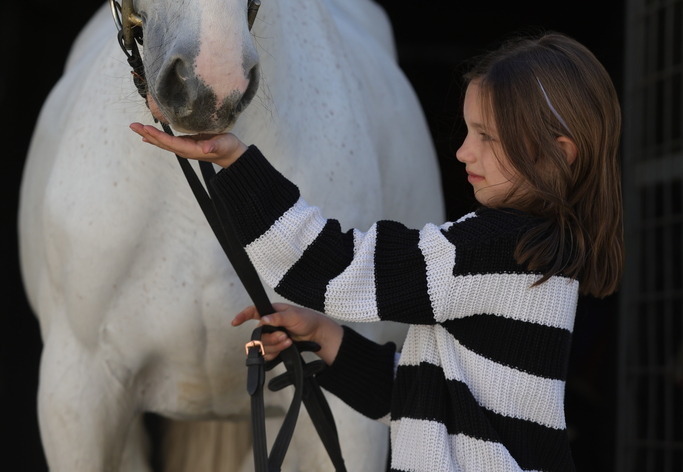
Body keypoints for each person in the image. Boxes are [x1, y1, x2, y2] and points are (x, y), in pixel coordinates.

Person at [130, 30, 623, 472]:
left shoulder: (494, 250)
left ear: (559, 152)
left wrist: (235, 161)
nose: (463, 152)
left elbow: (331, 265)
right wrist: (327, 337)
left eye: (487, 137)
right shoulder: (534, 260)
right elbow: (424, 403)